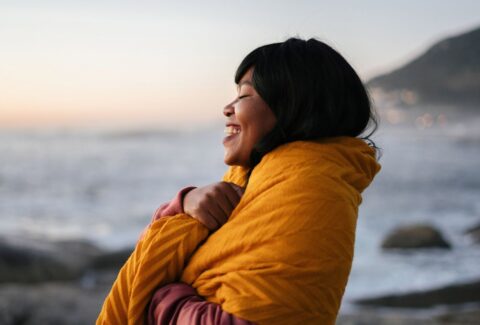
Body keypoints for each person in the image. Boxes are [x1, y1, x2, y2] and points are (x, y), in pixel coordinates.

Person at [97, 37, 382, 325]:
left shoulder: (312, 192)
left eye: (244, 96)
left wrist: (159, 299)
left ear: (293, 106)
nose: (227, 108)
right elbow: (153, 249)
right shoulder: (256, 182)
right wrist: (184, 204)